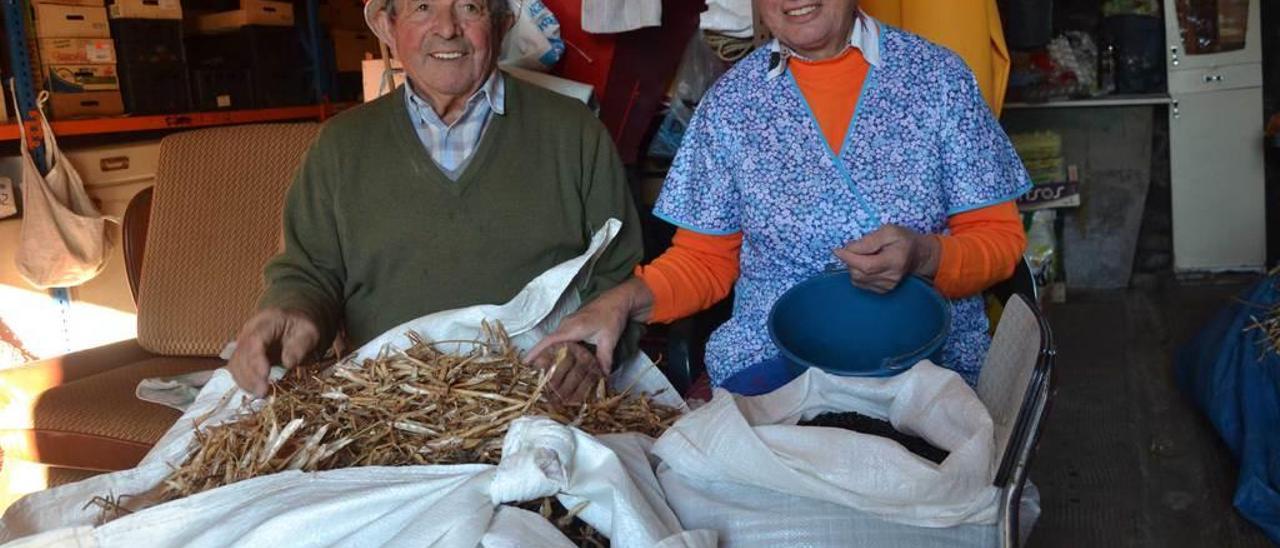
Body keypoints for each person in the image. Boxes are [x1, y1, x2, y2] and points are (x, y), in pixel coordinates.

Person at [530, 0, 1031, 388]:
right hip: (772, 364)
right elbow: (703, 262)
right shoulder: (730, 108)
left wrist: (925, 255)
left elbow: (1000, 242)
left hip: (922, 358)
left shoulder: (937, 80)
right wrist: (619, 302)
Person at [227, 0, 643, 403]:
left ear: (499, 24)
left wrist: (583, 353)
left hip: (535, 398)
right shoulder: (340, 145)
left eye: (470, 8)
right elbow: (310, 273)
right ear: (389, 27)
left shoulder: (574, 132)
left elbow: (619, 275)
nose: (447, 28)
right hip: (383, 406)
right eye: (422, 7)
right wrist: (291, 311)